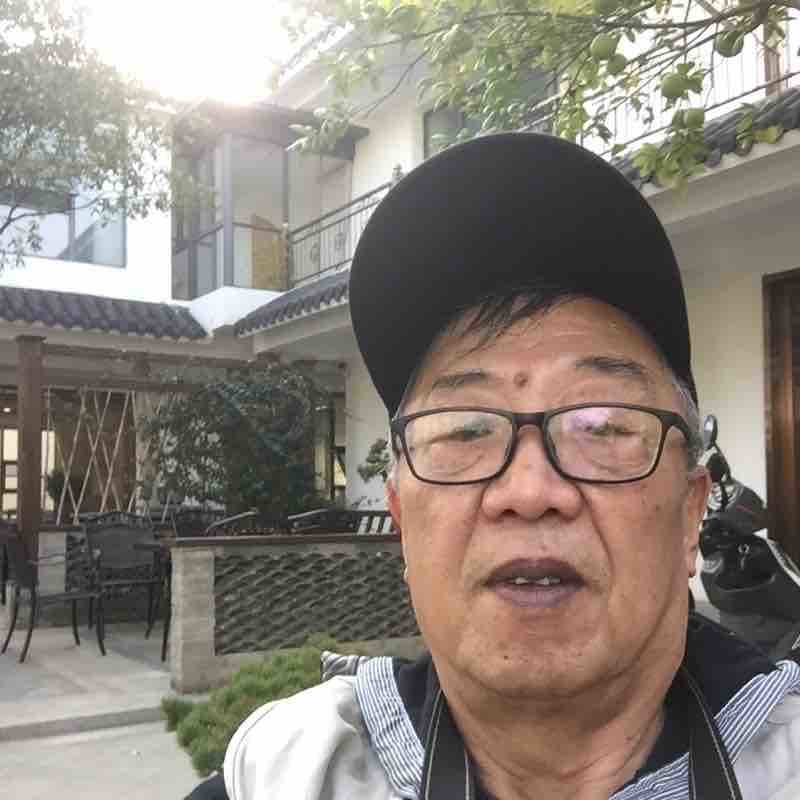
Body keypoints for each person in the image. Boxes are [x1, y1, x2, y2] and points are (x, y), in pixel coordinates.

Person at [218, 134, 800, 800]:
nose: (528, 491)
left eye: (601, 425)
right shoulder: (287, 776)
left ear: (691, 515)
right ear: (403, 522)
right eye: (465, 429)